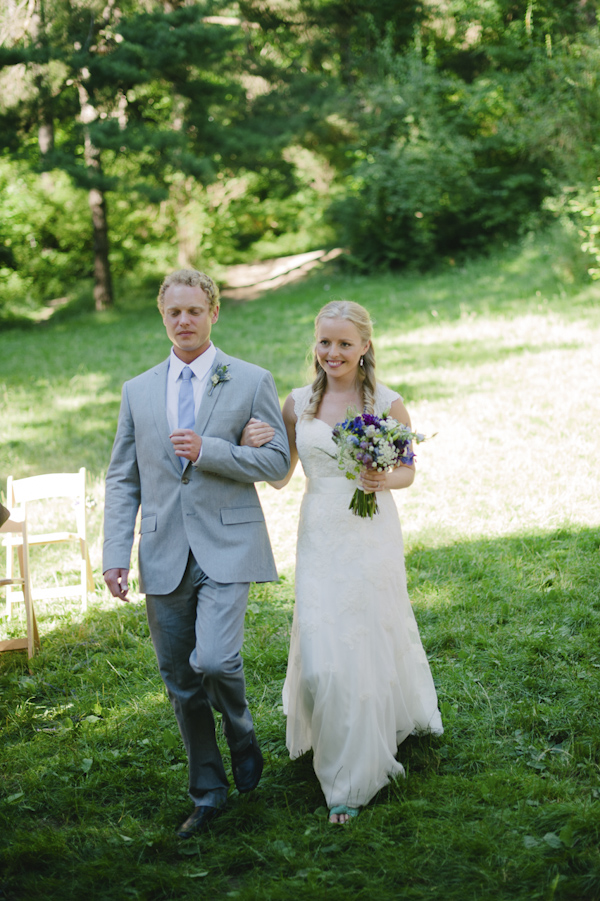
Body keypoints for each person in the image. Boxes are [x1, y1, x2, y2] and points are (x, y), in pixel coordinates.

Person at [103, 269, 290, 839]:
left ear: (213, 313)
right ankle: (207, 791)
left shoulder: (250, 380)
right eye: (173, 312)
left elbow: (278, 465)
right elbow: (122, 478)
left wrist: (213, 451)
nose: (183, 321)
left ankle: (241, 732)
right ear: (162, 316)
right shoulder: (138, 390)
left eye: (194, 311)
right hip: (161, 549)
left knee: (212, 661)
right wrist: (114, 551)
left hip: (229, 543)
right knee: (180, 682)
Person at [243, 300, 443, 824]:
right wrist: (254, 441)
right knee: (324, 653)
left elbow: (408, 471)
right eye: (325, 342)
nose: (333, 353)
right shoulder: (297, 404)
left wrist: (382, 478)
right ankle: (334, 728)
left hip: (371, 533)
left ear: (364, 348)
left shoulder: (388, 403)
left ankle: (349, 781)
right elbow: (281, 476)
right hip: (319, 536)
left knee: (370, 632)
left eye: (344, 343)